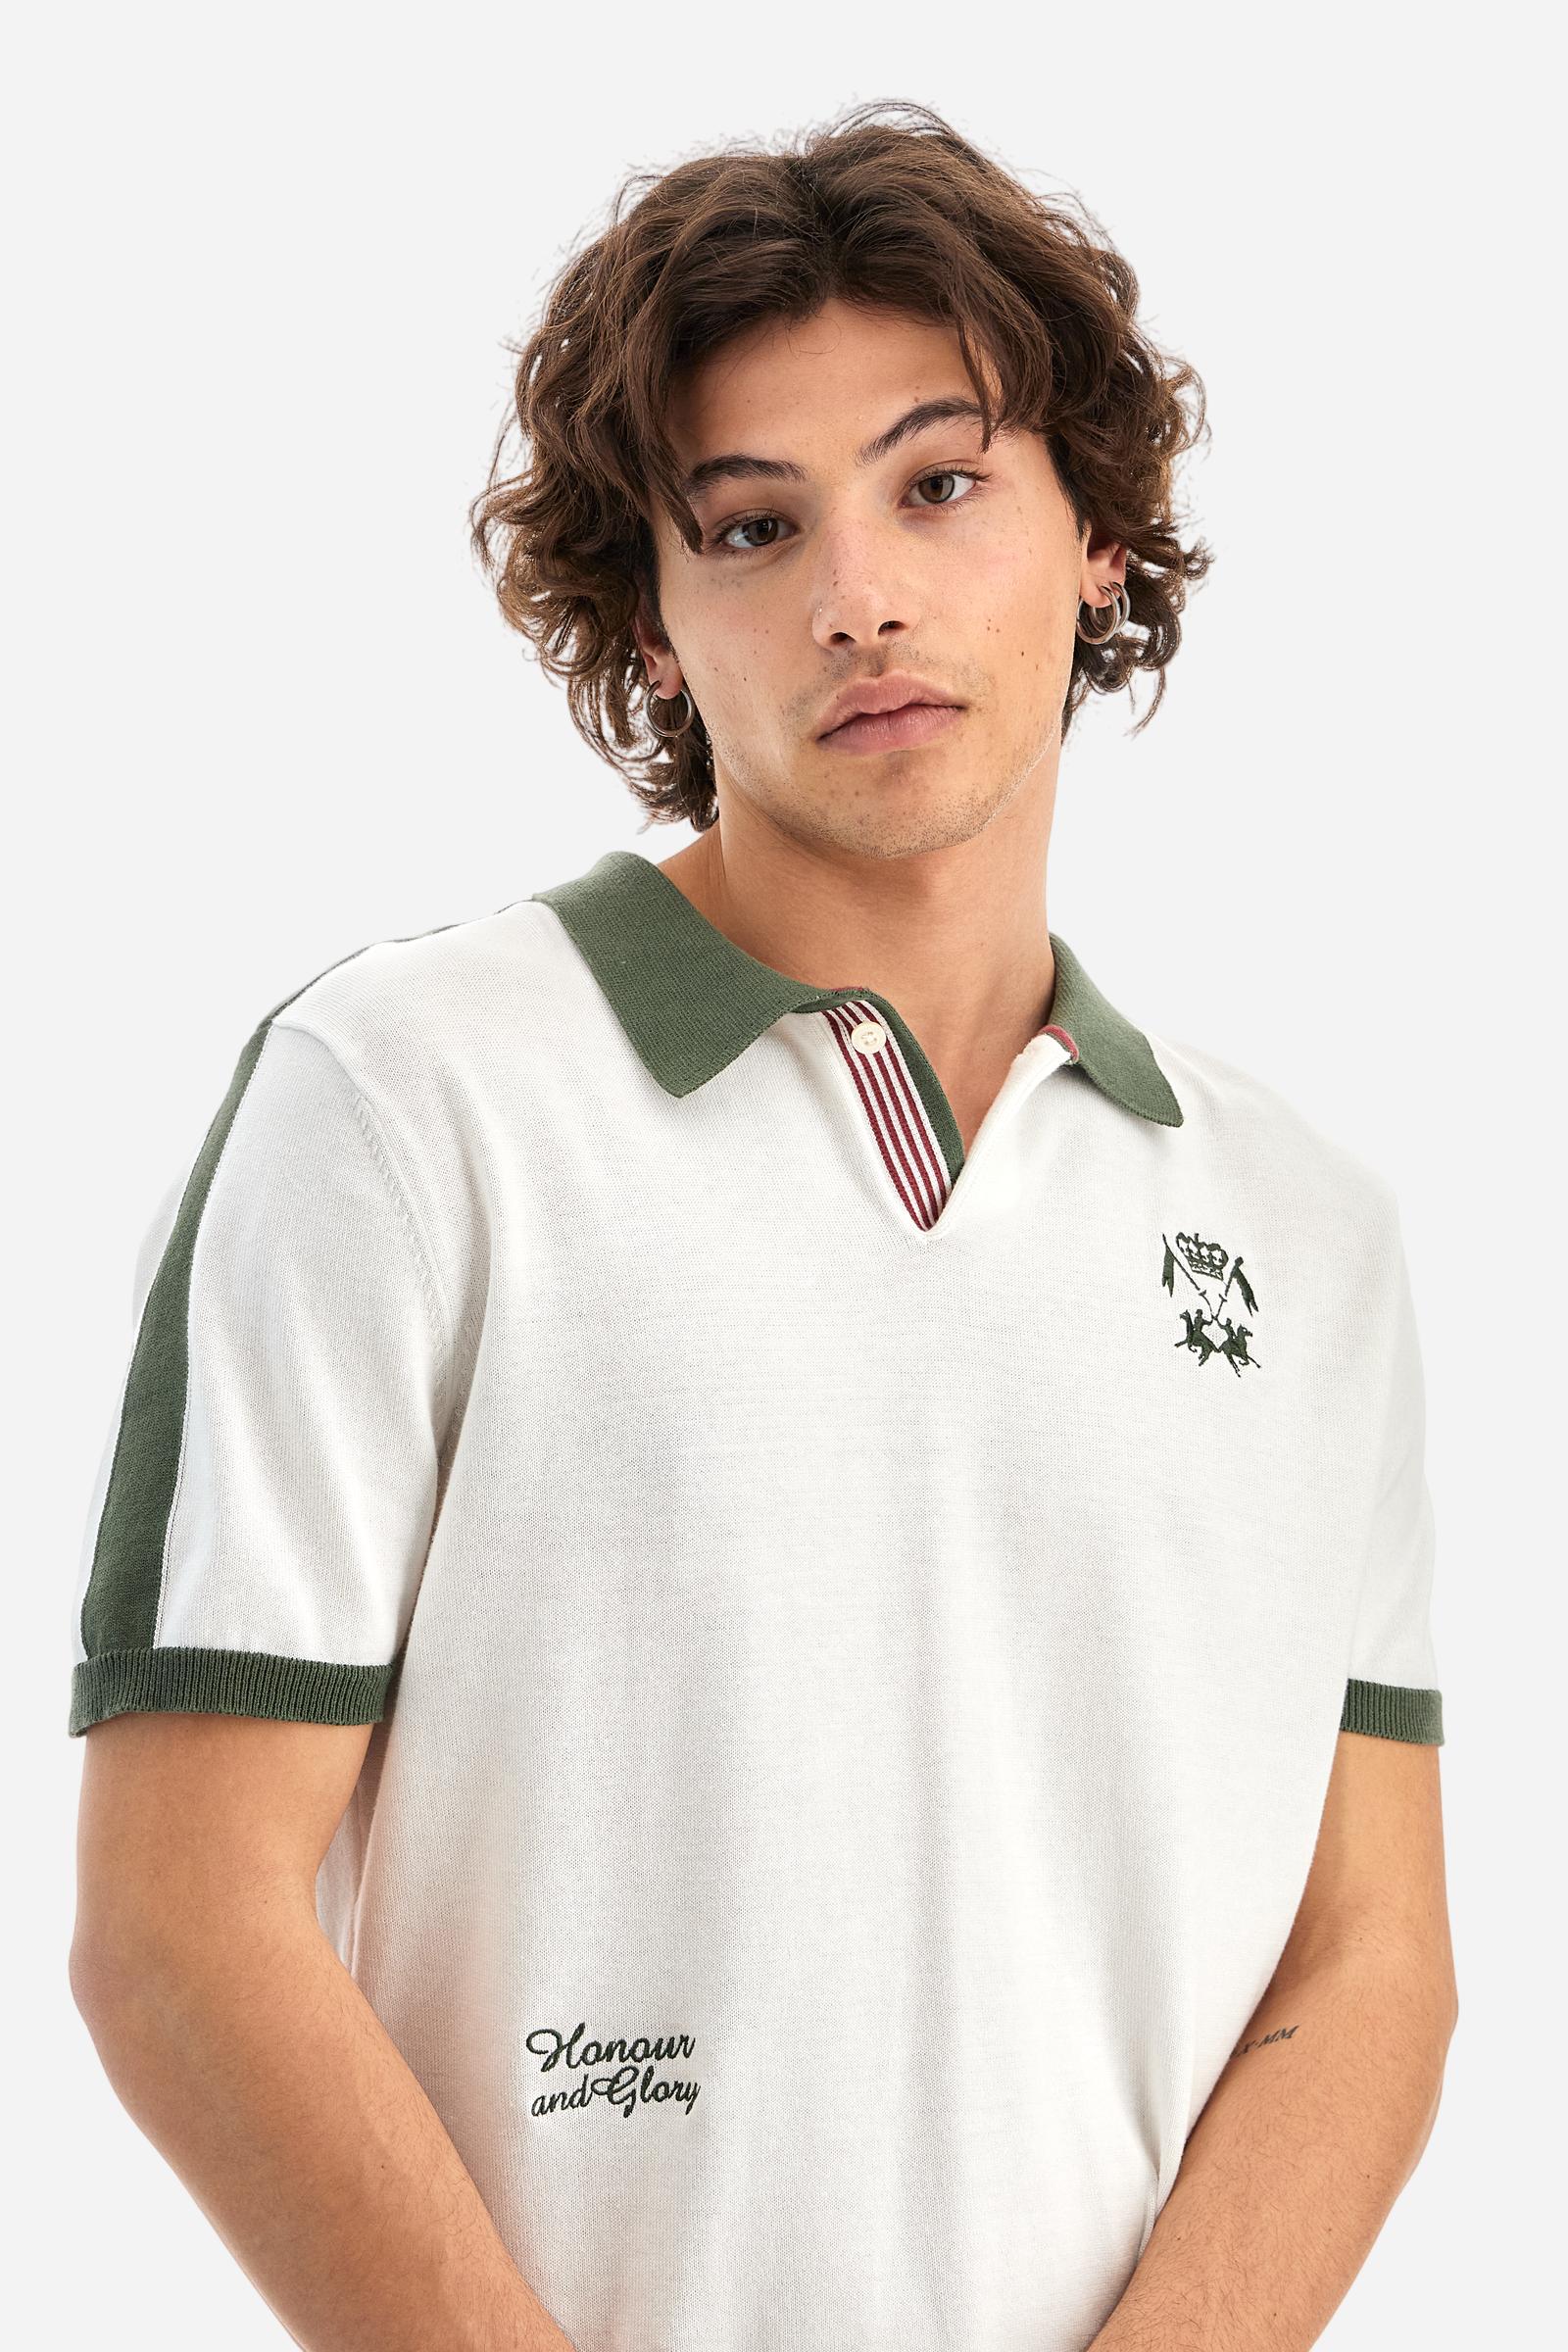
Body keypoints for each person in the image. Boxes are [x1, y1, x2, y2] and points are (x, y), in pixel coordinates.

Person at [67, 100, 1456, 2352]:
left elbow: (1365, 1957)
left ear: (1096, 537)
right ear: (651, 614)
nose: (855, 597)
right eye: (749, 524)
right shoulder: (403, 1100)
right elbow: (178, 1930)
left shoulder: (1304, 1228)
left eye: (939, 485)